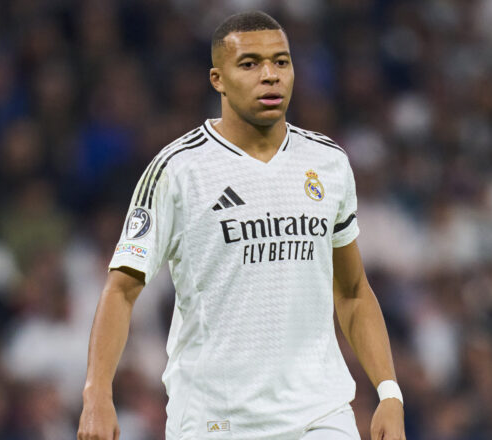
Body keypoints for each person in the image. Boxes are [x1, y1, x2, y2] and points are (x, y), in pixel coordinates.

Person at [78, 11, 406, 440]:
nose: (270, 75)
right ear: (217, 79)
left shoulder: (328, 163)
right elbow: (121, 290)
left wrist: (389, 392)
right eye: (250, 64)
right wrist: (97, 395)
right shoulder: (178, 170)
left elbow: (353, 291)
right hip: (217, 419)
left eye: (281, 61)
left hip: (320, 414)